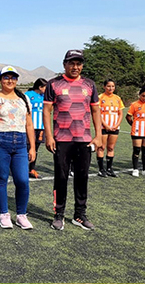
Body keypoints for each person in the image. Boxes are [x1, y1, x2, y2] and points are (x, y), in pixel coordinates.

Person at [44, 49, 101, 231]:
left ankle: (79, 215)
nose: (75, 67)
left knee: (82, 178)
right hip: (61, 139)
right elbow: (46, 111)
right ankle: (58, 214)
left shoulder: (89, 85)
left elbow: (95, 111)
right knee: (61, 178)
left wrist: (98, 136)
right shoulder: (54, 84)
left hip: (83, 140)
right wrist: (48, 136)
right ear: (64, 64)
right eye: (72, 63)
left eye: (78, 63)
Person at [0, 66, 36, 230]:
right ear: (0, 80)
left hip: (20, 143)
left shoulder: (24, 99)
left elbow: (29, 124)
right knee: (1, 179)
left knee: (22, 180)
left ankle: (21, 215)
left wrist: (32, 147)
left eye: (13, 77)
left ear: (17, 80)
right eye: (6, 77)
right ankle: (4, 214)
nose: (10, 80)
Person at [96, 79, 124, 178]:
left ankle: (109, 169)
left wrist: (116, 125)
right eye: (108, 86)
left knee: (111, 147)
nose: (111, 88)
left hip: (114, 127)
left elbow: (120, 113)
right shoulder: (100, 97)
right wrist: (106, 125)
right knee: (101, 147)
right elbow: (98, 113)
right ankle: (101, 169)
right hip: (104, 126)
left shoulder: (117, 98)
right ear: (104, 87)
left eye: (112, 86)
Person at [24, 78, 47, 179]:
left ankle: (31, 169)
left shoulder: (45, 96)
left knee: (36, 149)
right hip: (30, 127)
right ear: (40, 87)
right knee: (27, 148)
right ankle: (23, 169)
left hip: (41, 127)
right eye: (45, 87)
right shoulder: (28, 95)